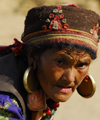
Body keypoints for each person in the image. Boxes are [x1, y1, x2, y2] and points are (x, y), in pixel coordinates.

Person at [0, 4, 100, 120]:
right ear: (33, 57)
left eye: (82, 65)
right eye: (60, 62)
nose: (70, 78)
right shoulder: (5, 101)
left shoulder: (43, 83)